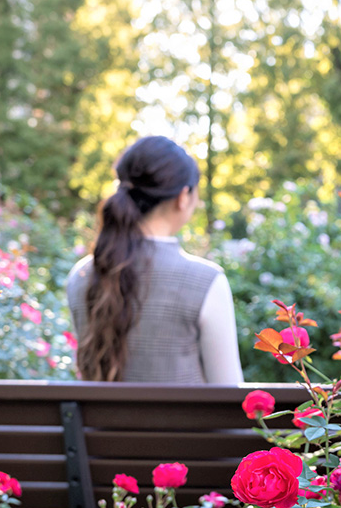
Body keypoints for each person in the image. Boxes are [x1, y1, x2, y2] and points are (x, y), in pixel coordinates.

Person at [66, 136, 243, 383]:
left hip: (102, 423)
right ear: (183, 197)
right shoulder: (206, 282)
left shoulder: (82, 275)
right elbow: (229, 393)